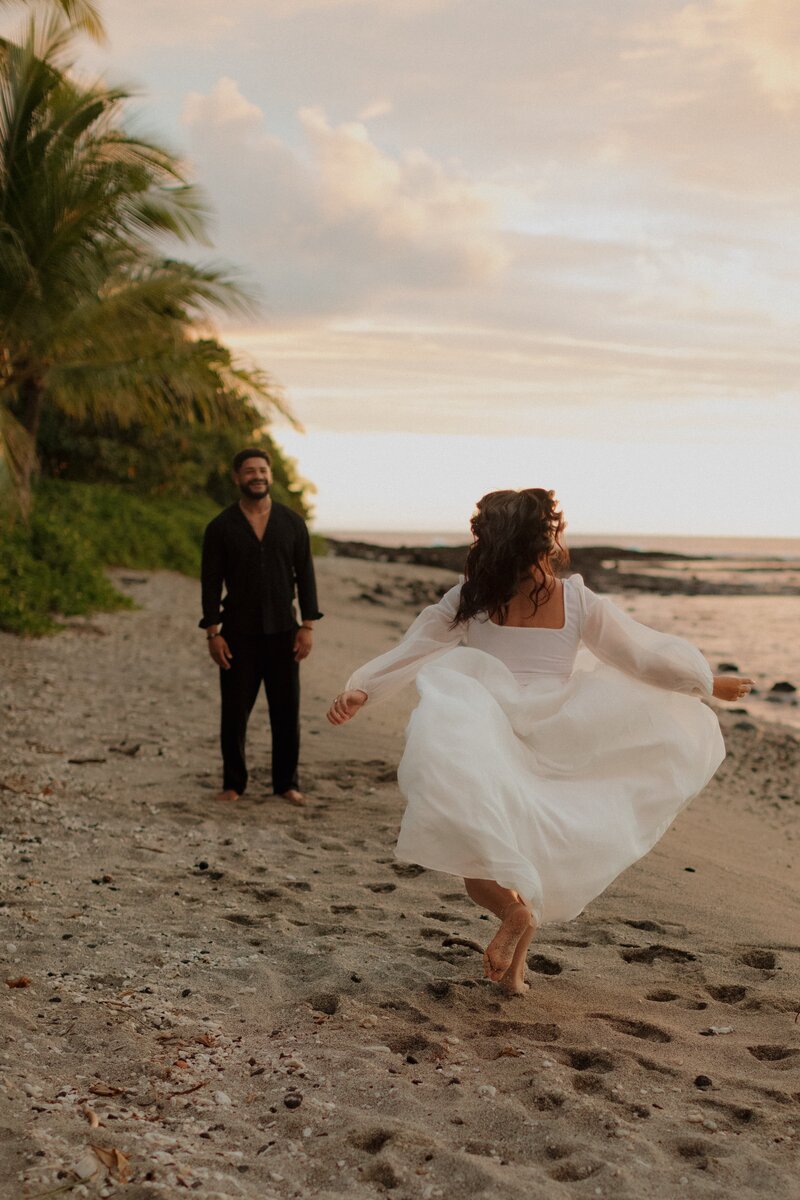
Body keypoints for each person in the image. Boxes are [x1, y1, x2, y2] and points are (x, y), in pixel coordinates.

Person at [327, 489, 752, 994]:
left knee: (477, 855)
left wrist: (363, 688)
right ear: (545, 539)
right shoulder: (574, 598)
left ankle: (511, 915)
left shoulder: (471, 597)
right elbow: (640, 658)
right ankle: (516, 967)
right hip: (561, 731)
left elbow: (415, 647)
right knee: (531, 853)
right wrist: (705, 683)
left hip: (484, 729)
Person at [200, 448, 322, 806]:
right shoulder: (221, 527)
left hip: (285, 632)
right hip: (237, 634)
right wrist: (213, 633)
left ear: (271, 476)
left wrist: (308, 625)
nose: (257, 475)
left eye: (262, 470)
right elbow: (210, 583)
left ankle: (286, 783)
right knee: (234, 714)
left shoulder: (292, 523)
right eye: (250, 471)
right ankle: (233, 784)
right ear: (237, 478)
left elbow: (306, 577)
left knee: (287, 713)